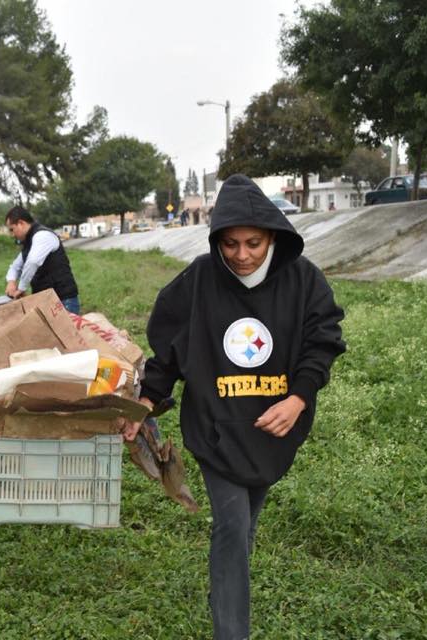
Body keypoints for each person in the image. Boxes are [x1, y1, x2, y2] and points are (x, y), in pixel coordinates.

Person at [120, 174, 346, 640]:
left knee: (243, 530)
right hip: (216, 426)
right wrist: (146, 399)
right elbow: (170, 351)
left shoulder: (303, 280)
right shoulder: (199, 280)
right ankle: (231, 629)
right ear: (217, 239)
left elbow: (322, 342)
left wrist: (298, 398)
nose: (242, 255)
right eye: (230, 244)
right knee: (232, 524)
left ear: (273, 237)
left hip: (271, 426)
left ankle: (225, 588)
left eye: (253, 243)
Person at [4, 206, 80, 313]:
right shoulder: (29, 242)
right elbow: (15, 266)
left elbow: (33, 262)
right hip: (45, 301)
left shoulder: (43, 235)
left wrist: (21, 288)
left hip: (63, 301)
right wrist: (11, 281)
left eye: (12, 229)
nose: (12, 234)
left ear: (21, 223)